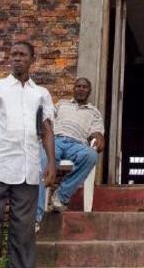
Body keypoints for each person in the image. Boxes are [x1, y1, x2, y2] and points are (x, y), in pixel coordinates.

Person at [0, 41, 57, 268]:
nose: (17, 58)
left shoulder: (41, 94)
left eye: (22, 54)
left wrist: (51, 163)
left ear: (32, 60)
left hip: (28, 171)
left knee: (24, 231)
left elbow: (47, 130)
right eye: (14, 54)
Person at [36, 77, 104, 225]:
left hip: (78, 144)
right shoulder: (61, 104)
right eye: (78, 86)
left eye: (84, 87)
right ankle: (37, 216)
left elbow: (97, 132)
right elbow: (47, 120)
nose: (81, 89)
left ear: (89, 91)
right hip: (56, 140)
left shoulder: (94, 112)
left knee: (91, 155)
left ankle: (61, 196)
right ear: (73, 89)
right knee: (42, 160)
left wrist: (98, 138)